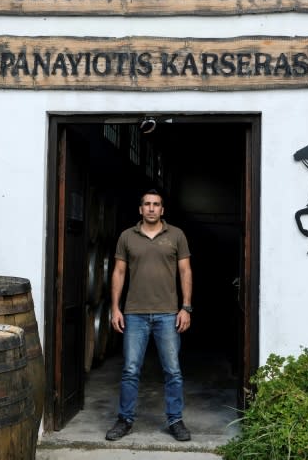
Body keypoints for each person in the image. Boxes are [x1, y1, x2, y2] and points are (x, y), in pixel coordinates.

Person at [105, 189, 194, 442]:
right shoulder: (127, 236)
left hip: (168, 314)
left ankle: (175, 420)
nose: (152, 208)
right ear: (140, 209)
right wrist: (115, 308)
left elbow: (185, 271)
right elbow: (118, 273)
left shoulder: (176, 235)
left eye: (156, 204)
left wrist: (186, 307)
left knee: (173, 371)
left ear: (162, 210)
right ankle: (125, 420)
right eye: (147, 204)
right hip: (134, 314)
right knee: (130, 370)